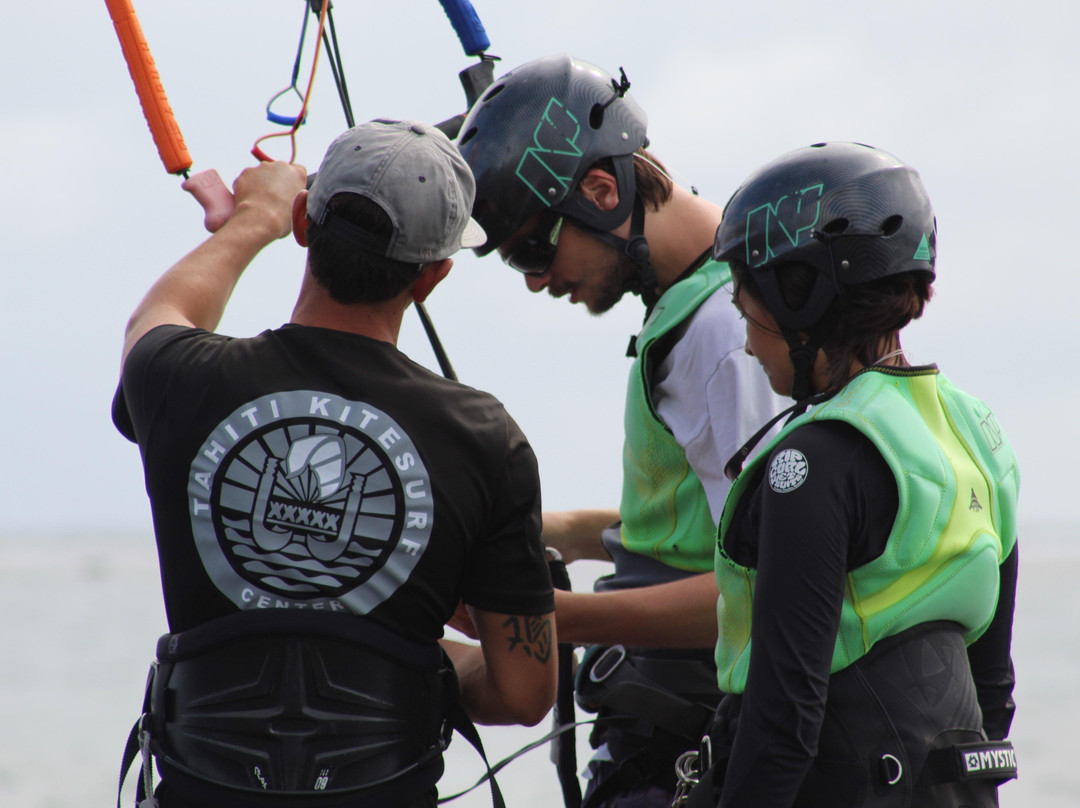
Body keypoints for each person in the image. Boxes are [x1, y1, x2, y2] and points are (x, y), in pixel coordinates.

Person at [111, 119, 558, 808]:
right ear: (434, 275)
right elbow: (525, 692)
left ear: (303, 224)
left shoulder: (180, 378)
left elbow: (156, 318)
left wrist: (250, 220)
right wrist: (408, 663)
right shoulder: (484, 437)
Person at [454, 54, 786, 807]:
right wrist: (550, 531)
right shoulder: (695, 305)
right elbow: (711, 528)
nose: (537, 280)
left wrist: (551, 619)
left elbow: (774, 583)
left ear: (602, 191)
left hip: (684, 737)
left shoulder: (722, 334)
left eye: (534, 249)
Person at [675, 142, 1019, 807]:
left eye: (749, 311)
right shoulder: (979, 435)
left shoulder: (815, 462)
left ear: (799, 298)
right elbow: (992, 692)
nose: (747, 341)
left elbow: (783, 724)